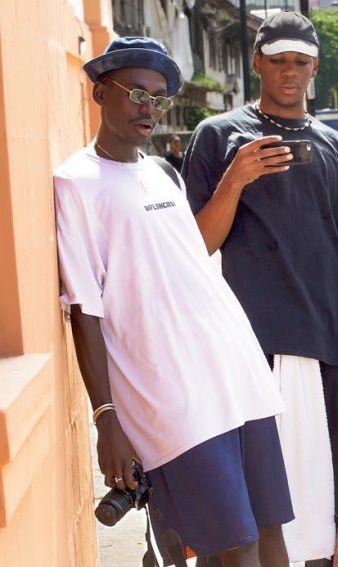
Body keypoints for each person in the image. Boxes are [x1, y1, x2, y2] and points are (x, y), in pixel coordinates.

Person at [55, 37, 292, 566]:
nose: (149, 109)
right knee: (237, 544)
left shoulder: (163, 171)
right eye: (136, 93)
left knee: (272, 532)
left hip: (238, 377)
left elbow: (192, 264)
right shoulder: (76, 183)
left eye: (159, 99)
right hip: (171, 396)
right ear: (99, 93)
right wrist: (106, 418)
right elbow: (84, 309)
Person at [181, 11, 338, 564]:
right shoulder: (218, 136)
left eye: (300, 62)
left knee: (323, 510)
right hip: (246, 350)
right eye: (278, 61)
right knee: (250, 515)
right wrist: (236, 179)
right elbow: (194, 246)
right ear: (257, 62)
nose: (289, 72)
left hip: (328, 347)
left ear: (315, 66)